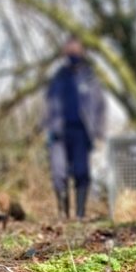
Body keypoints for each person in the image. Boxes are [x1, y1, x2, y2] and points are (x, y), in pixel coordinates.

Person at [45, 37, 106, 220]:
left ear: (83, 52)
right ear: (64, 51)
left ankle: (80, 214)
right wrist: (47, 127)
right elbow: (48, 103)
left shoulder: (89, 77)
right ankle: (63, 214)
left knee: (81, 172)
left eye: (76, 49)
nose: (72, 53)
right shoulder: (58, 76)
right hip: (58, 133)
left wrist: (99, 131)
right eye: (69, 49)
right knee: (58, 173)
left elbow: (99, 105)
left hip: (82, 132)